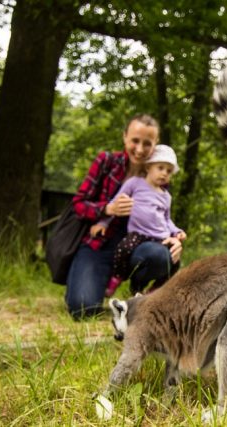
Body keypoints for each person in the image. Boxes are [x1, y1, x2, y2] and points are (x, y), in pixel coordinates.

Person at [65, 114, 183, 320]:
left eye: (147, 143)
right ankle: (94, 284)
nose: (139, 149)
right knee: (82, 308)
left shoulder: (160, 178)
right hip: (100, 244)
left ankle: (137, 293)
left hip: (138, 245)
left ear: (155, 144)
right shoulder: (106, 162)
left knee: (160, 256)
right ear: (125, 138)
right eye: (135, 141)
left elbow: (162, 217)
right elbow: (78, 204)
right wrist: (107, 210)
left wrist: (173, 237)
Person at [91, 144, 187, 297]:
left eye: (169, 171)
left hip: (161, 238)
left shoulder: (166, 196)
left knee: (175, 263)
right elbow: (116, 202)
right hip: (138, 235)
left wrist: (177, 231)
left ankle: (154, 291)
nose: (164, 174)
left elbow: (167, 220)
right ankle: (117, 277)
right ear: (149, 167)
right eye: (160, 168)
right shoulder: (135, 183)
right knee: (123, 249)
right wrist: (103, 223)